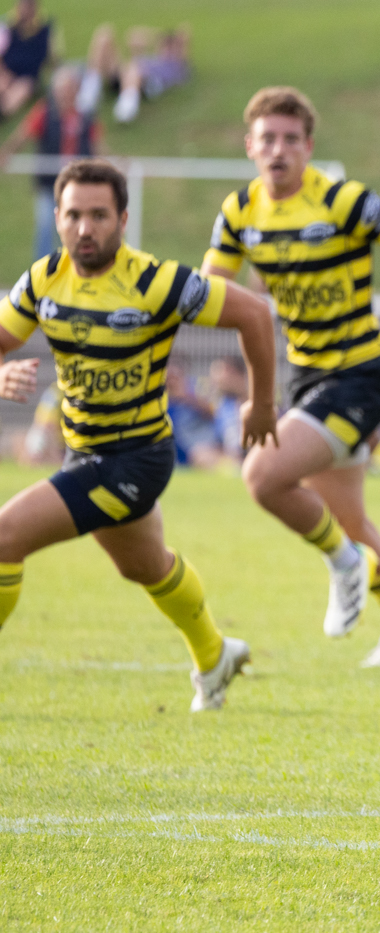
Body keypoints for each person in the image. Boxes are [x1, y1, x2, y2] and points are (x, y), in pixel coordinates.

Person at [0, 158, 279, 711]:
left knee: (5, 536)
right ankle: (215, 653)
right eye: (74, 214)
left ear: (123, 219)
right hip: (84, 454)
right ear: (56, 217)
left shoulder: (158, 282)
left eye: (99, 215)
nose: (86, 228)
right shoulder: (41, 281)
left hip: (137, 459)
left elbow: (253, 314)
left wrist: (262, 404)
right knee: (145, 566)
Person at [201, 86, 380, 668]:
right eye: (268, 138)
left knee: (262, 476)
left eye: (291, 139)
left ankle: (344, 562)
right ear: (250, 147)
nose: (279, 149)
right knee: (348, 519)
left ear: (309, 147)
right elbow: (215, 294)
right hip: (304, 379)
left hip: (360, 375)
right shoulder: (239, 213)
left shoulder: (341, 202)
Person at [0, 64, 102, 259]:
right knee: (47, 224)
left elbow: (97, 147)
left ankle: (72, 271)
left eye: (69, 89)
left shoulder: (85, 117)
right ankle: (44, 272)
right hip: (49, 184)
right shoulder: (45, 114)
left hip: (78, 187)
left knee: (73, 230)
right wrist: (6, 152)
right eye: (62, 90)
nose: (65, 94)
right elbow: (24, 135)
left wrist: (112, 165)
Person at [0, 0, 57, 119]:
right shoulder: (8, 27)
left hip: (28, 77)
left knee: (20, 91)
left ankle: (3, 111)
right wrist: (4, 75)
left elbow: (53, 60)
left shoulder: (44, 29)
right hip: (7, 73)